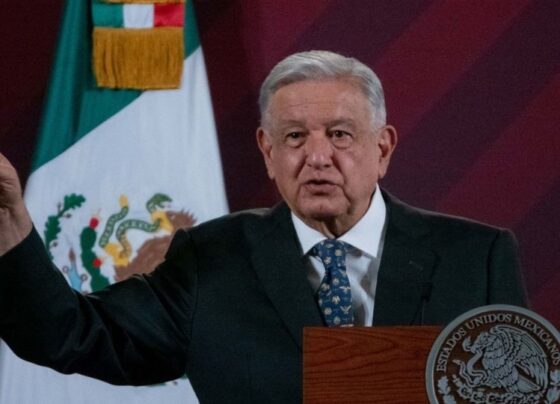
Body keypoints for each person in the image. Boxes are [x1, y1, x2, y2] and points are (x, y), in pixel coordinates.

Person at [0, 51, 527, 403]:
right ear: (268, 152)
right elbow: (71, 334)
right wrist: (10, 230)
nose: (317, 157)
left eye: (340, 134)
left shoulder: (476, 258)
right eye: (294, 137)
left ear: (383, 147)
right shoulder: (210, 259)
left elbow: (520, 391)